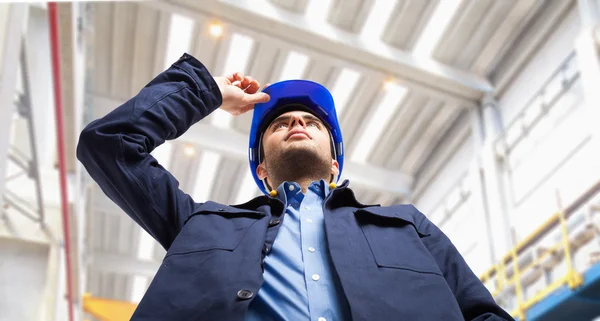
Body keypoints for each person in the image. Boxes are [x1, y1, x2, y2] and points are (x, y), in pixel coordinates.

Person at [77, 53, 513, 321]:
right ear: (262, 168)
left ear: (336, 163)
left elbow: (482, 314)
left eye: (311, 122)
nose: (297, 123)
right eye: (281, 123)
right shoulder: (202, 226)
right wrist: (207, 92)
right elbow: (109, 145)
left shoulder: (405, 226)